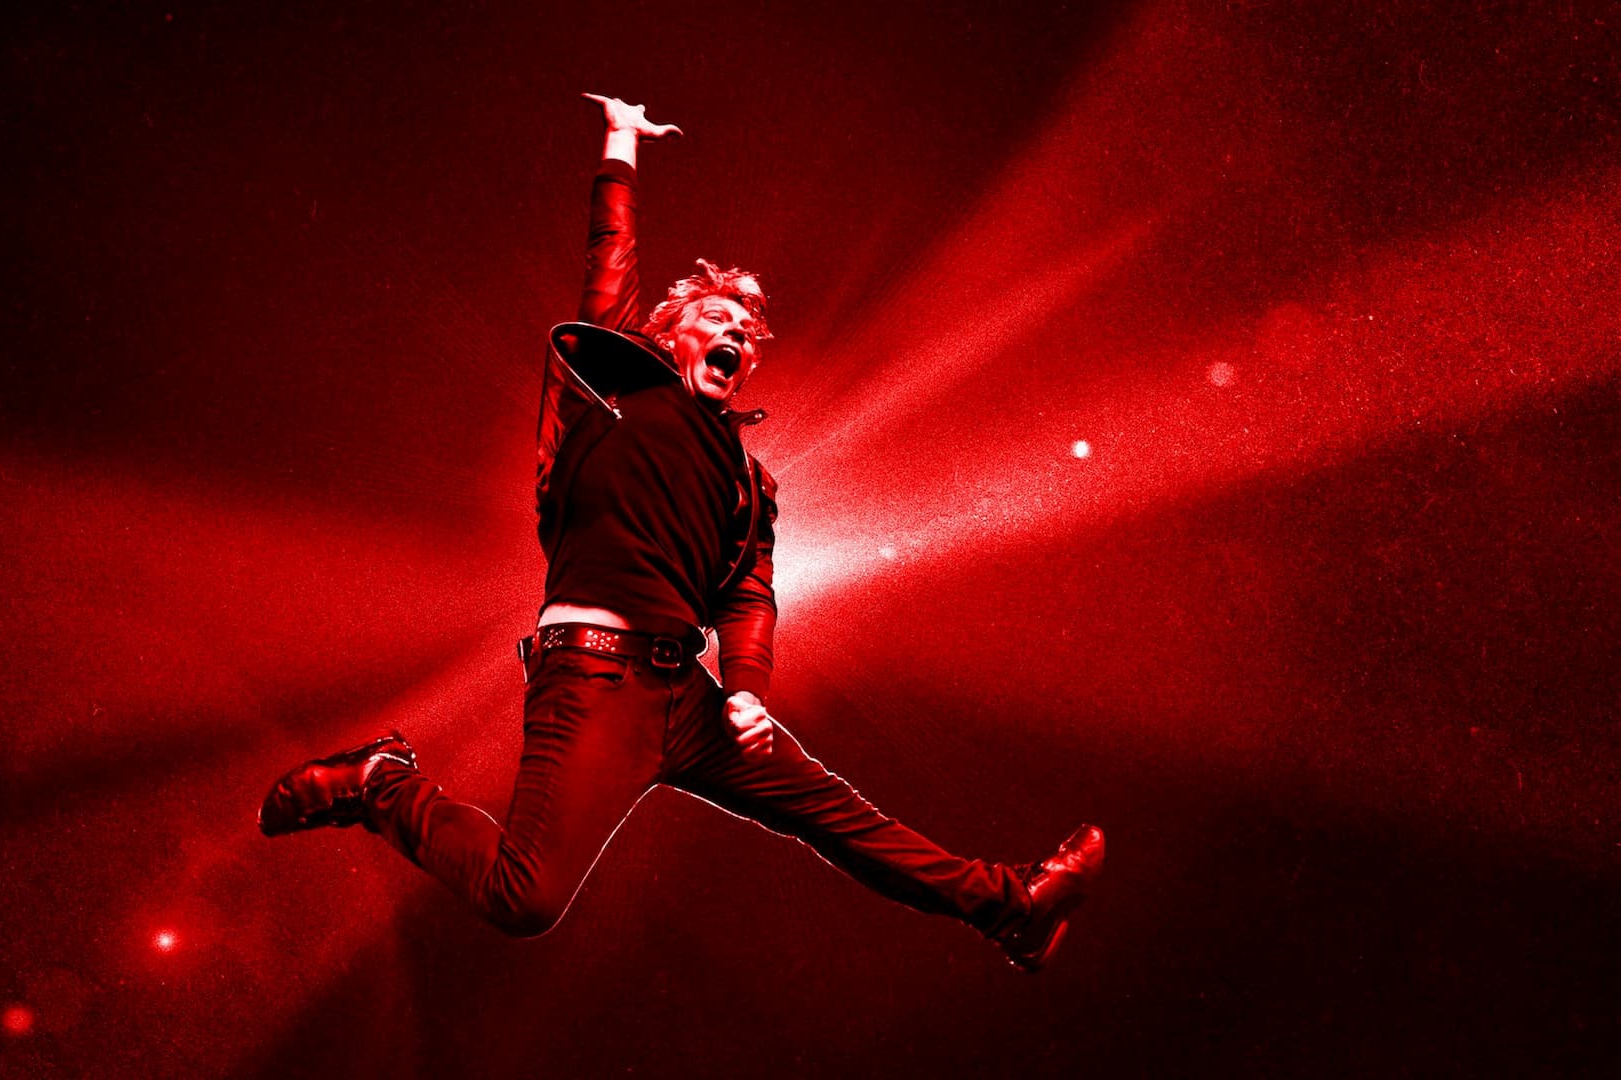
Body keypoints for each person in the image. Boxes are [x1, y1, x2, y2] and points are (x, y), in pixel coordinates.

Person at [259, 94, 1104, 971]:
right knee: (525, 898)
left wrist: (745, 689)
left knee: (837, 814)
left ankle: (1012, 907)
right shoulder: (615, 394)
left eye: (743, 331)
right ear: (670, 336)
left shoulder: (750, 482)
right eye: (714, 319)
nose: (732, 332)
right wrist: (621, 146)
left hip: (687, 698)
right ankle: (380, 782)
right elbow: (609, 267)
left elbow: (748, 594)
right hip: (593, 681)